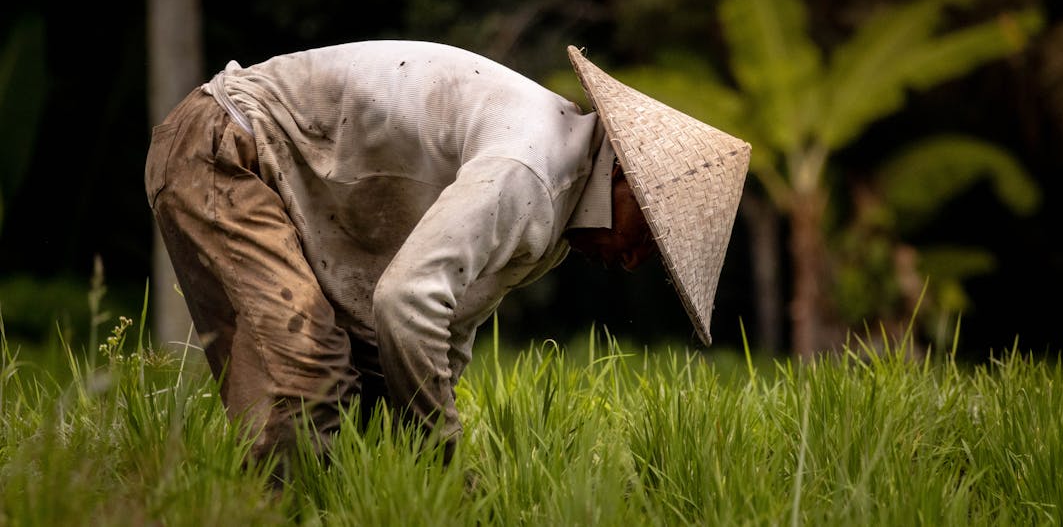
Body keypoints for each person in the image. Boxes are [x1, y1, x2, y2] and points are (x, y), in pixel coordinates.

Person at [143, 40, 750, 474]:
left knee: (368, 424)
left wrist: (418, 448)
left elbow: (445, 323)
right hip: (224, 149)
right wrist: (442, 452)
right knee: (306, 382)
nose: (630, 263)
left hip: (271, 175)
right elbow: (406, 303)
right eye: (645, 239)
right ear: (627, 179)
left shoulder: (557, 210)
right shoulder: (531, 171)